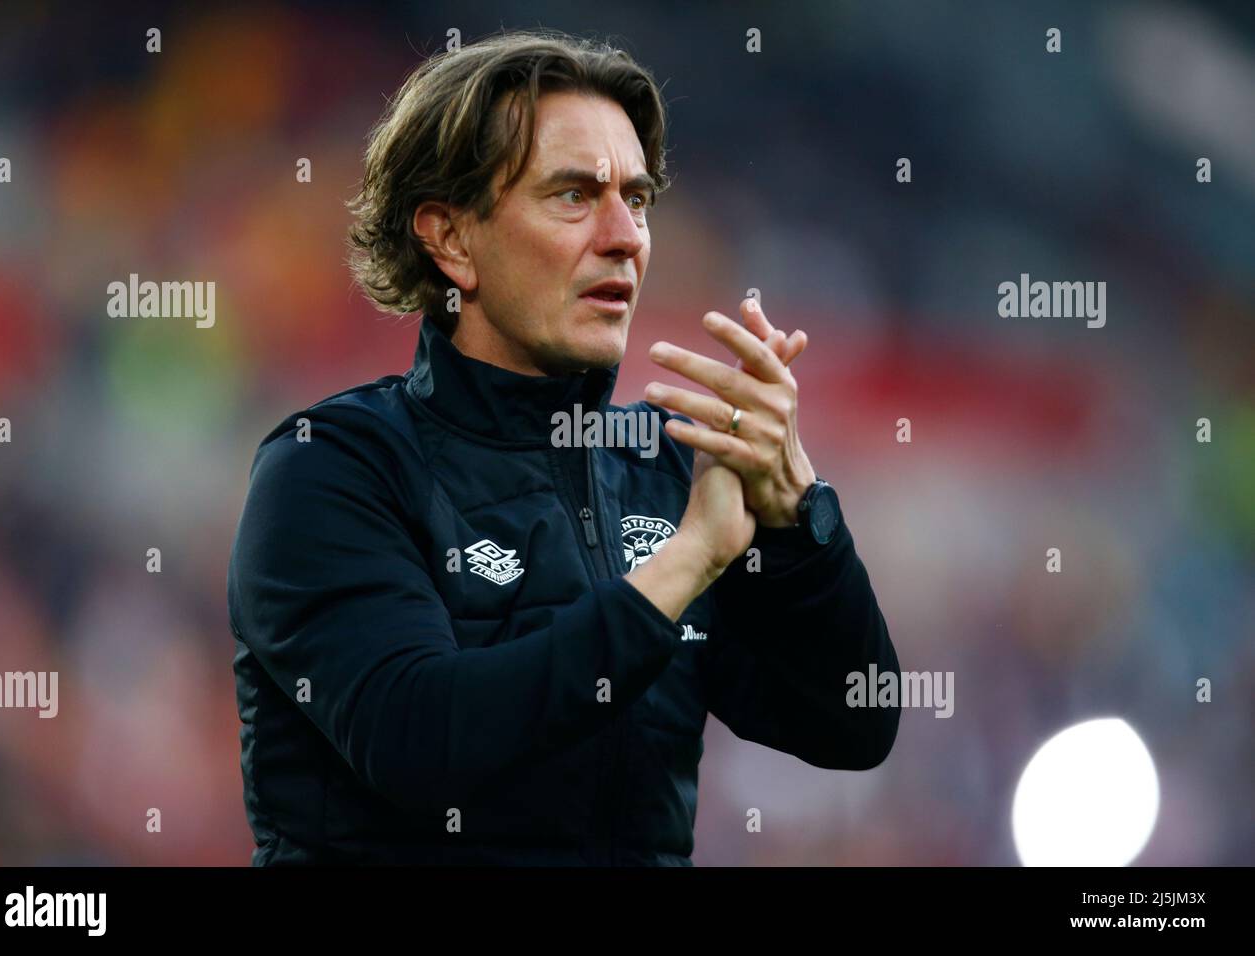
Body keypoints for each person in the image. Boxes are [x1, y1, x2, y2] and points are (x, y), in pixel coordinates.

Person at [227, 29, 900, 866]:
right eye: (574, 196)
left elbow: (851, 722)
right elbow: (420, 742)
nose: (626, 236)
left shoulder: (668, 469)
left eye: (639, 198)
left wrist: (801, 520)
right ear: (451, 240)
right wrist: (684, 565)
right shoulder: (332, 466)